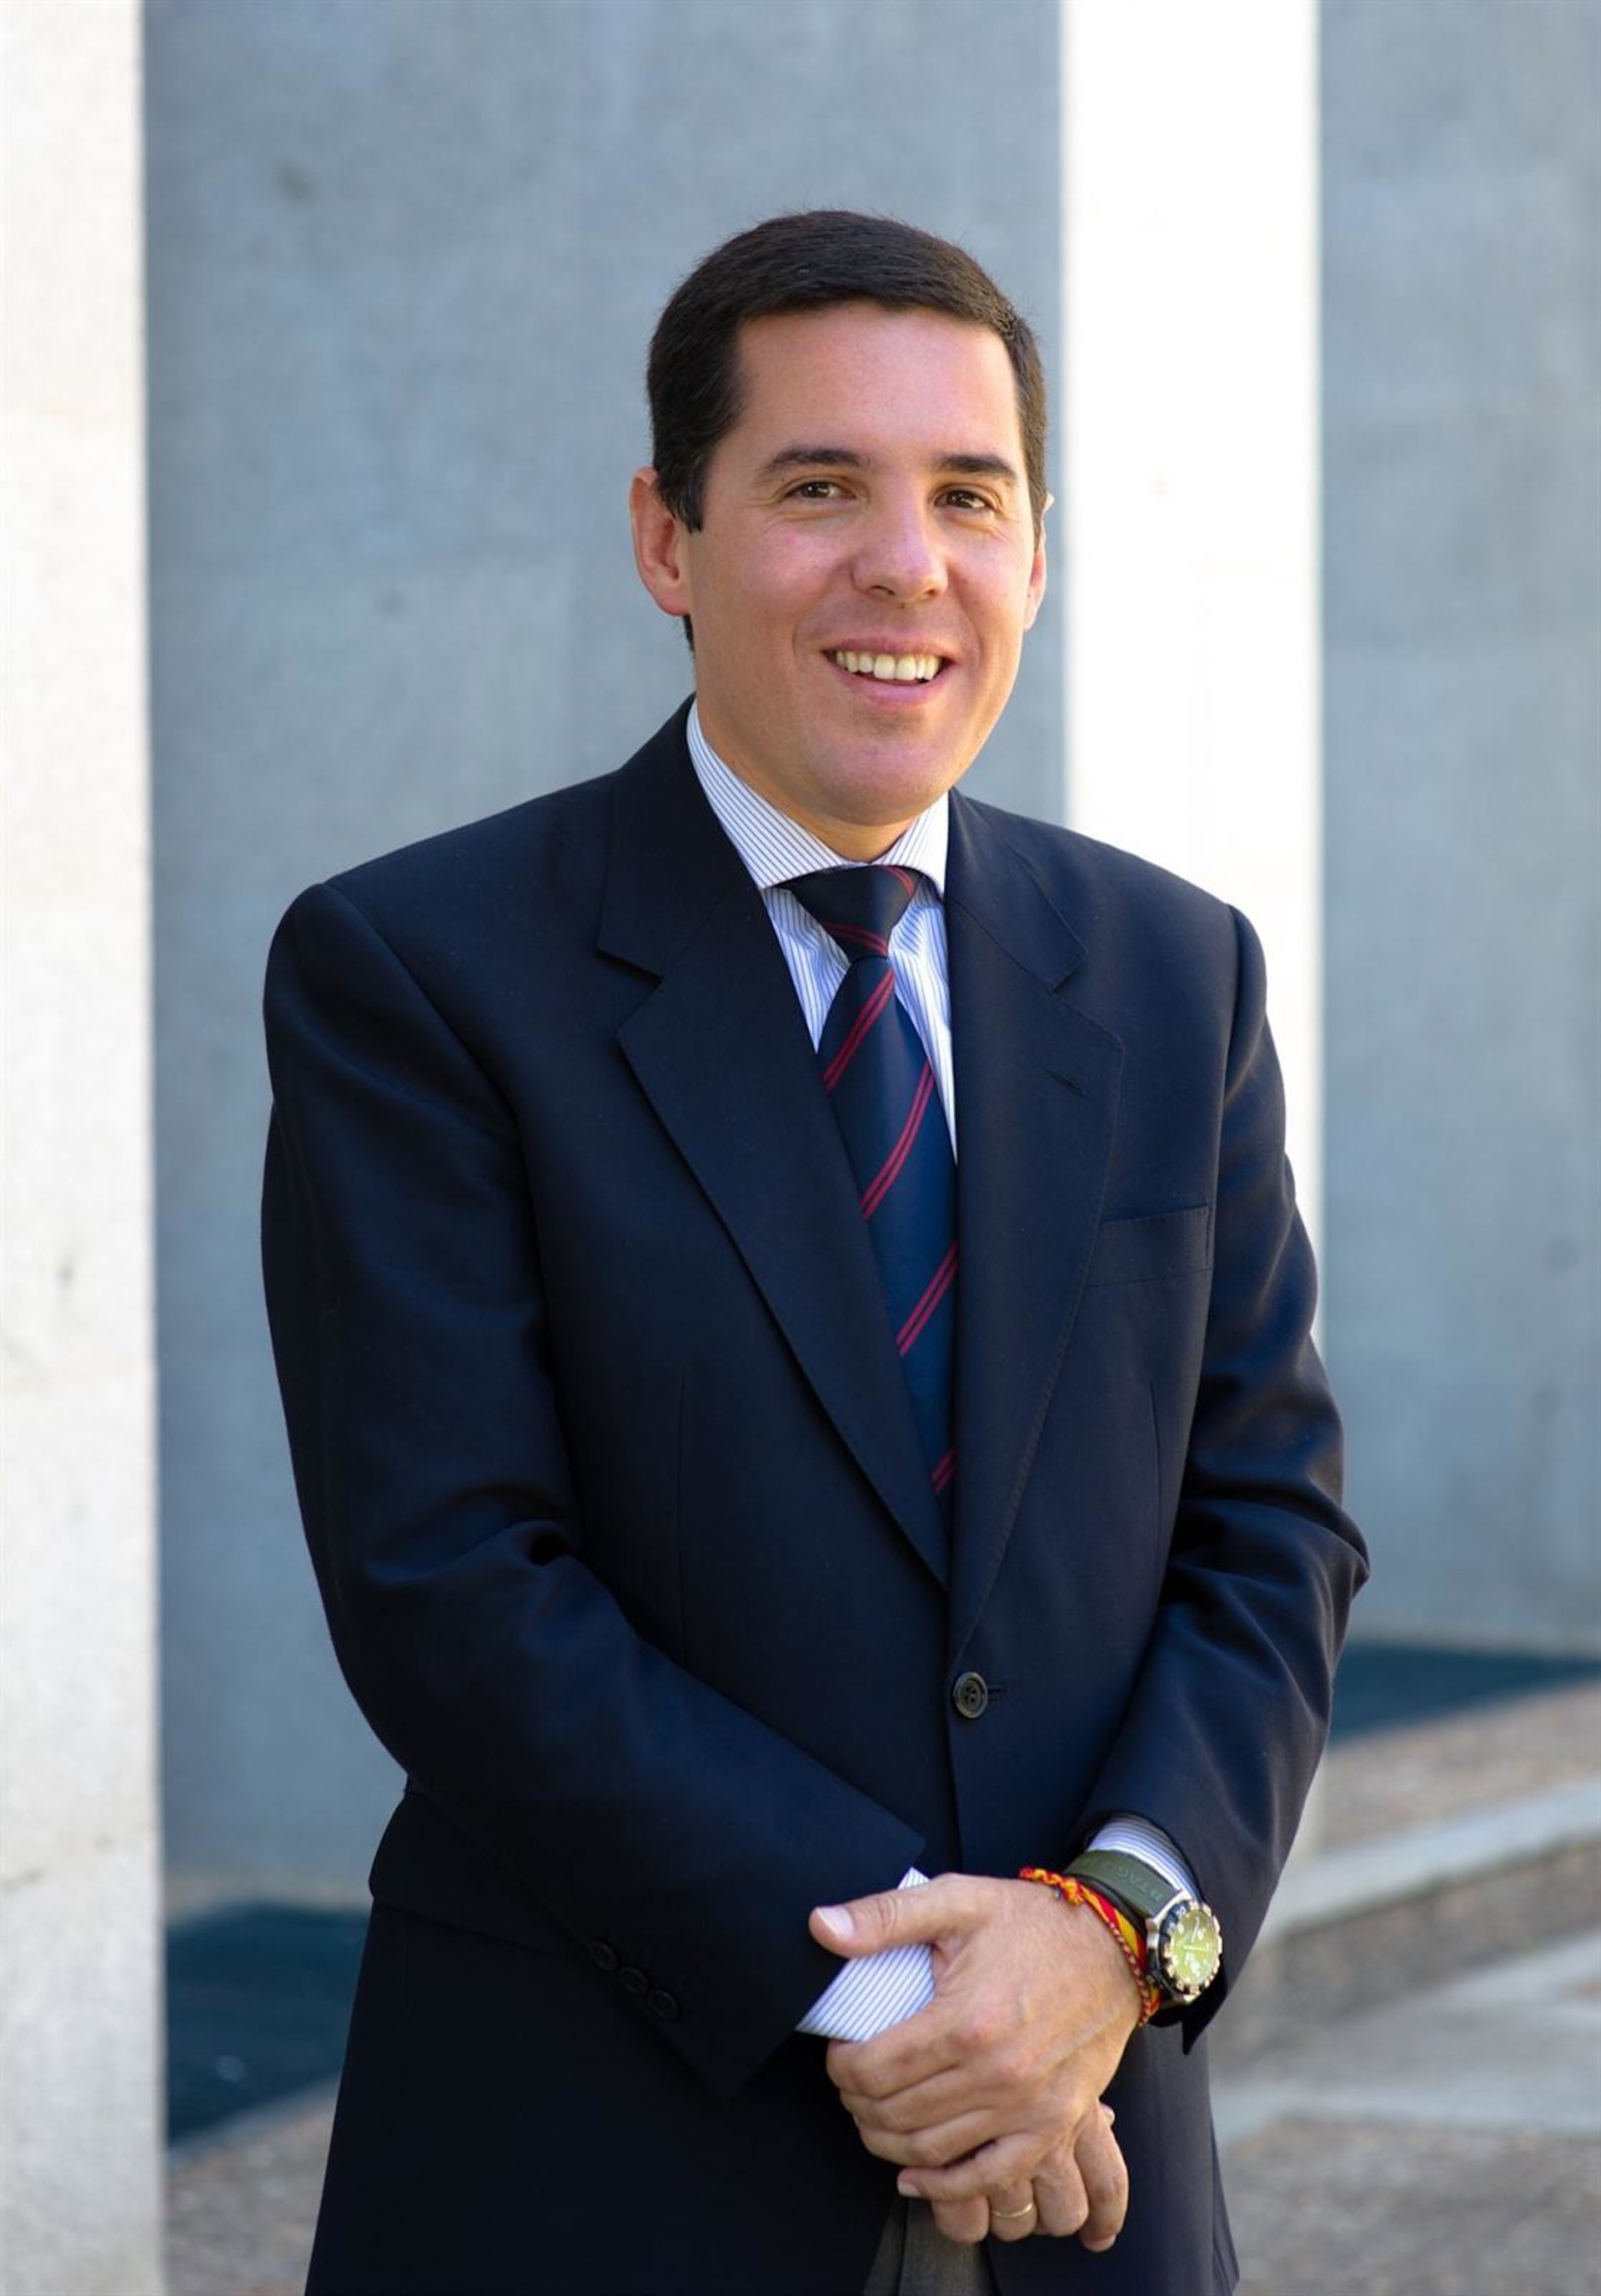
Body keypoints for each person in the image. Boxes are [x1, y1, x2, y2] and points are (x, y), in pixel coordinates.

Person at [262, 210, 1367, 2296]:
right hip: (599, 2162)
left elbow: (1270, 1531)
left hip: (1092, 2174)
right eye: (820, 487)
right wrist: (929, 2002)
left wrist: (1108, 1939)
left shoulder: (1173, 971)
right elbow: (452, 1585)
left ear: (1036, 553)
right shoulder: (418, 972)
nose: (907, 565)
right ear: (667, 539)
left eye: (970, 495)